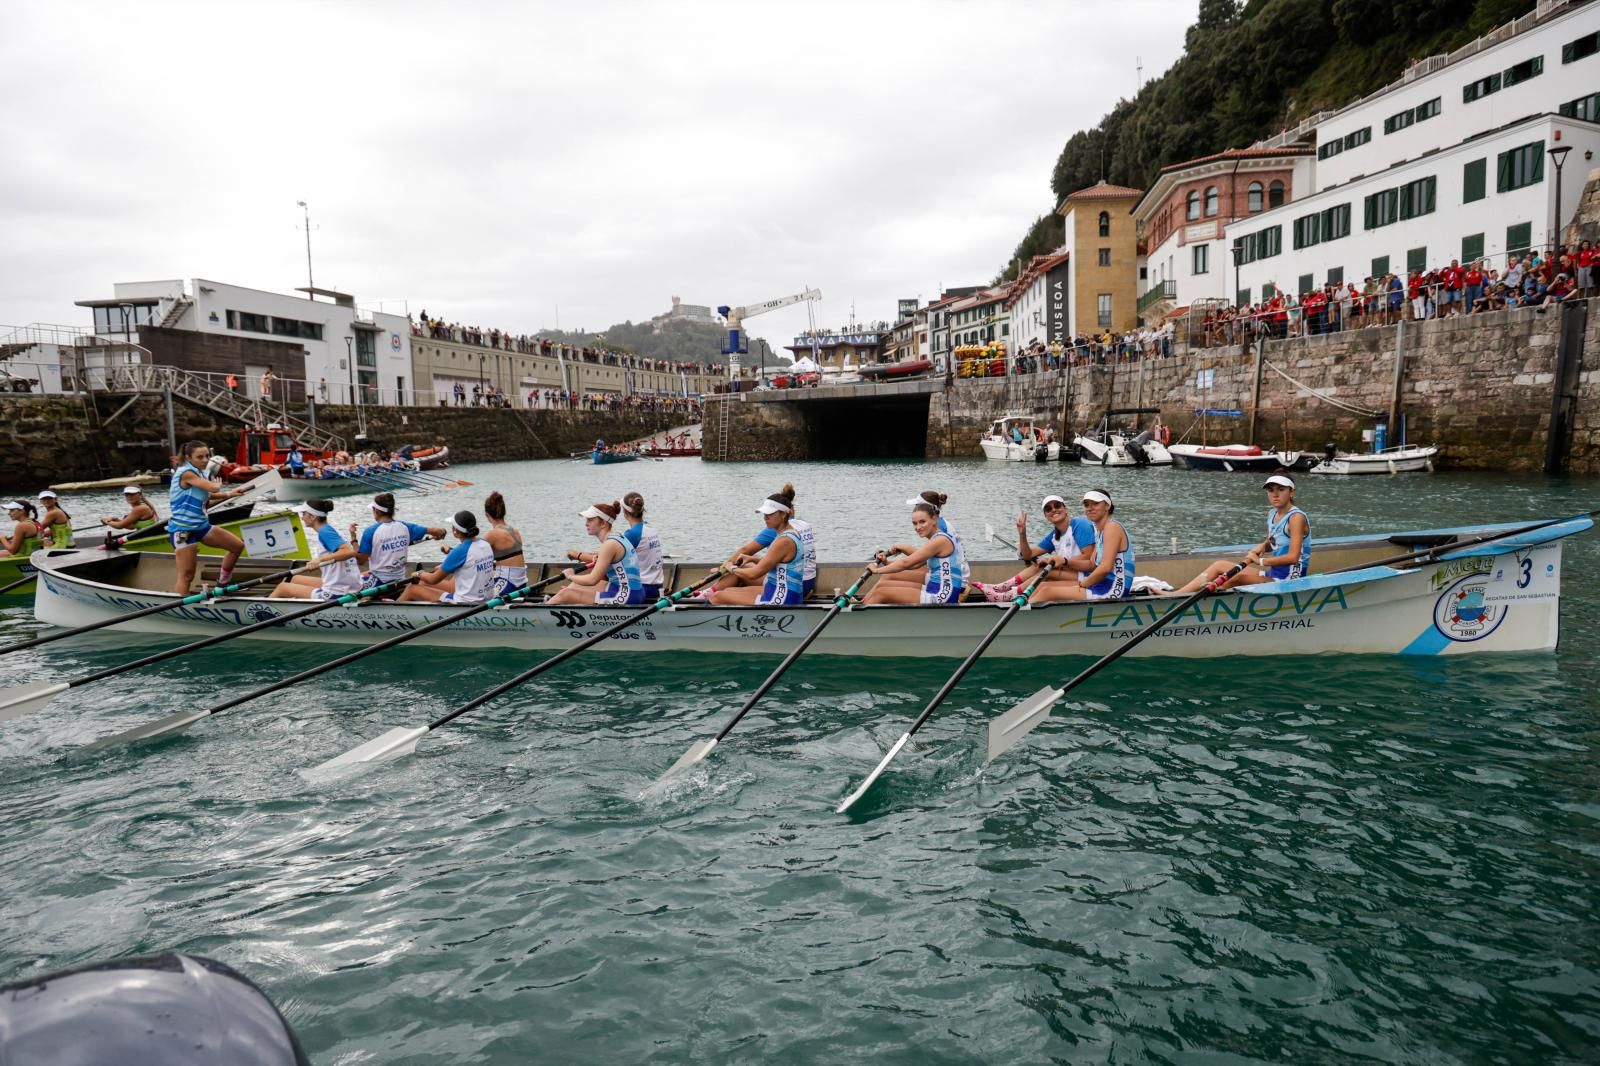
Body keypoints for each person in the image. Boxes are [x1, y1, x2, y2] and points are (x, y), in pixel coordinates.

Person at [1178, 475, 1311, 593]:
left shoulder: (1296, 518)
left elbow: (1293, 557)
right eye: (1271, 490)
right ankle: (1177, 595)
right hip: (1273, 574)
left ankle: (1210, 600)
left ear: (1292, 492)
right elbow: (1275, 541)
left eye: (1281, 489)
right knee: (1219, 565)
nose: (1275, 495)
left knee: (1236, 579)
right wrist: (1264, 546)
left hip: (1290, 581)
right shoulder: (1272, 513)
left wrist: (1260, 561)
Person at [970, 494, 1097, 603]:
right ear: (1046, 516)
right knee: (1038, 566)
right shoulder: (1055, 535)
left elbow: (1088, 556)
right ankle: (1002, 588)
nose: (1054, 510)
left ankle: (1007, 595)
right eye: (1048, 509)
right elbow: (1028, 555)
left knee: (1048, 571)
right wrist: (1022, 534)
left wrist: (1059, 562)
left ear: (1065, 508)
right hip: (1073, 572)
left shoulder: (1080, 525)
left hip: (1088, 574)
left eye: (1057, 505)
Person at [167, 440, 249, 594]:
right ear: (188, 457)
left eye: (207, 456)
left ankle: (223, 582)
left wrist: (229, 494)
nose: (205, 460)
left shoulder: (200, 472)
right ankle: (181, 604)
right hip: (183, 530)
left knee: (237, 546)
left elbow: (206, 495)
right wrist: (216, 486)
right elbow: (212, 488)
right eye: (200, 457)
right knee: (187, 576)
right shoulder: (186, 473)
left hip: (201, 526)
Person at [862, 493, 966, 604]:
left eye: (922, 522)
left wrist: (876, 570)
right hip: (935, 586)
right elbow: (916, 564)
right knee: (882, 586)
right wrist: (886, 563)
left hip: (944, 595)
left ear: (934, 519)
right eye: (915, 523)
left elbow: (906, 563)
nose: (918, 527)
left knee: (881, 592)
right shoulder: (935, 538)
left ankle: (861, 611)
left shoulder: (940, 540)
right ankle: (863, 604)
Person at [710, 487, 807, 606]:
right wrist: (752, 559)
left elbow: (754, 574)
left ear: (783, 514)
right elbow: (778, 562)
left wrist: (731, 568)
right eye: (764, 514)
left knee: (717, 597)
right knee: (728, 591)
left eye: (770, 514)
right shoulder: (790, 533)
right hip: (782, 591)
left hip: (781, 598)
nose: (765, 517)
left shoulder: (784, 541)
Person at [1038, 489, 1135, 601]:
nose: (1090, 508)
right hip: (1101, 583)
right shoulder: (1100, 532)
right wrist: (1064, 561)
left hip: (1114, 588)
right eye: (1086, 505)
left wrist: (1082, 585)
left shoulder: (1112, 527)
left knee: (1046, 592)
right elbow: (1091, 565)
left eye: (1095, 503)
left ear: (1107, 506)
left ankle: (1025, 610)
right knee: (1043, 586)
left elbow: (1105, 567)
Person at [547, 501, 643, 605]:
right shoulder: (617, 537)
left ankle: (542, 609)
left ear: (603, 523)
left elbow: (592, 580)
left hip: (626, 595)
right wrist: (600, 557)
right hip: (630, 590)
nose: (586, 524)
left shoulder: (609, 544)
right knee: (575, 585)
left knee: (565, 594)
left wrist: (570, 576)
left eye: (590, 520)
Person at [350, 492, 445, 593]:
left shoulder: (370, 531)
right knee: (365, 573)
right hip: (400, 579)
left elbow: (360, 560)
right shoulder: (405, 527)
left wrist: (353, 538)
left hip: (380, 581)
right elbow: (437, 531)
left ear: (376, 510)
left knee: (347, 585)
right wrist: (440, 533)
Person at [270, 499, 363, 600]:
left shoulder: (325, 532)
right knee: (296, 579)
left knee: (282, 588)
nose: (302, 517)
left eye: (304, 513)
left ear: (313, 517)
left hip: (338, 593)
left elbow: (348, 551)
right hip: (351, 586)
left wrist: (319, 560)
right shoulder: (330, 530)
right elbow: (353, 552)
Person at [400, 510, 498, 604]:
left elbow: (432, 579)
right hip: (486, 598)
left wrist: (419, 574)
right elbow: (467, 561)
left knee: (411, 589)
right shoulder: (485, 544)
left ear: (455, 531)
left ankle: (393, 612)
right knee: (422, 583)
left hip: (465, 602)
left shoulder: (460, 550)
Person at [482, 490, 527, 598]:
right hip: (522, 583)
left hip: (507, 583)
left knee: (477, 597)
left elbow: (472, 553)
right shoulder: (515, 531)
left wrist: (450, 551)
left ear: (486, 515)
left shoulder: (491, 534)